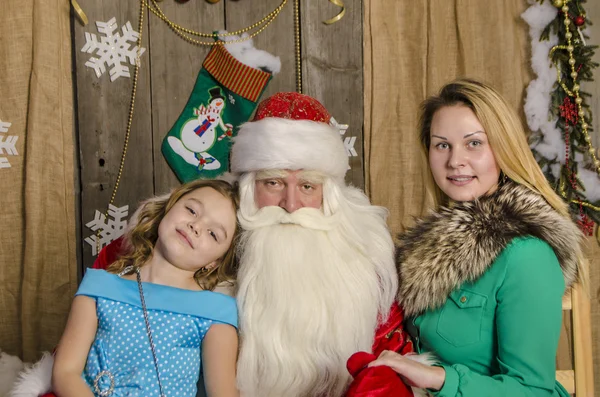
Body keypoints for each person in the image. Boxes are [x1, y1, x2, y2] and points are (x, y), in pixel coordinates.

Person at [368, 78, 587, 396]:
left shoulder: (526, 255)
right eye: (442, 144)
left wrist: (438, 379)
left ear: (502, 148)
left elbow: (535, 391)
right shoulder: (426, 248)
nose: (455, 160)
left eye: (473, 143)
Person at [229, 92, 415, 397]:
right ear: (250, 187)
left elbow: (392, 358)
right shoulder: (214, 239)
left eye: (306, 186)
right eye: (273, 183)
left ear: (328, 193)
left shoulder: (365, 258)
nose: (291, 205)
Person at [51, 179, 241, 397]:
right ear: (169, 208)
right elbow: (65, 372)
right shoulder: (100, 287)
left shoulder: (215, 312)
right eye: (191, 210)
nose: (196, 226)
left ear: (215, 262)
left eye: (213, 234)